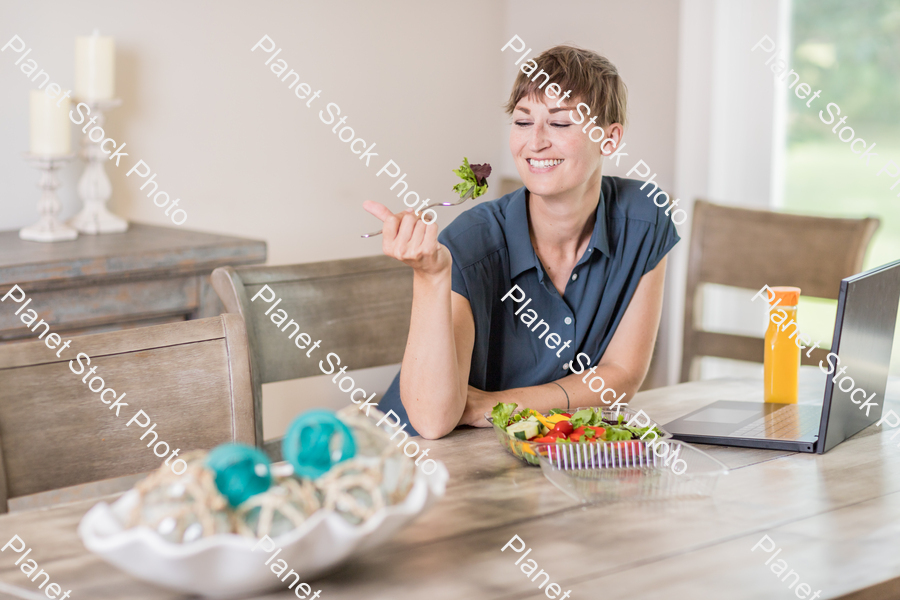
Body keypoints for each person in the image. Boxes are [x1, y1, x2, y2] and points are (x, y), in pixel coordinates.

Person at [363, 45, 680, 439]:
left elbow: (619, 378)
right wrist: (429, 277)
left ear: (610, 138)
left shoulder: (644, 220)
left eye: (561, 124)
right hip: (415, 460)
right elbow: (431, 421)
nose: (535, 142)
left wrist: (495, 406)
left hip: (518, 455)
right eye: (523, 122)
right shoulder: (471, 241)